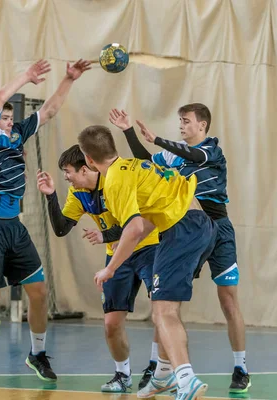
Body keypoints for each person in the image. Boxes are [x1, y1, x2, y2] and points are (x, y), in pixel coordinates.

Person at [0, 59, 91, 383]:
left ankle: (37, 353)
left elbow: (51, 110)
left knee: (38, 292)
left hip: (15, 227)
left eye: (12, 117)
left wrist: (69, 79)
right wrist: (26, 77)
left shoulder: (16, 137)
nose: (9, 121)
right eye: (4, 117)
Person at [110, 105, 251, 393]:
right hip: (186, 227)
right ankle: (162, 368)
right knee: (168, 300)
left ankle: (241, 367)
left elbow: (195, 155)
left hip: (218, 227)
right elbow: (147, 164)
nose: (182, 126)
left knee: (228, 300)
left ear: (202, 125)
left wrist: (158, 138)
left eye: (186, 122)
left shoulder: (211, 149)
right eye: (180, 122)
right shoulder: (171, 155)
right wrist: (128, 131)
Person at [78, 125, 218, 400]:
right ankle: (163, 376)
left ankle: (186, 379)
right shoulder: (137, 165)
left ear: (88, 160)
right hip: (202, 225)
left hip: (181, 230)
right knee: (166, 308)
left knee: (163, 313)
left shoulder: (115, 180)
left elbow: (133, 230)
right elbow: (149, 218)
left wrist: (110, 268)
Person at [36, 144, 159, 392]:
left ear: (85, 169)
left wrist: (104, 235)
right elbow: (61, 228)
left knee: (162, 313)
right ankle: (122, 375)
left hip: (149, 247)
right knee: (111, 323)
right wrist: (51, 195)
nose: (66, 178)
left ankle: (156, 368)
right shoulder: (78, 193)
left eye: (68, 172)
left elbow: (132, 224)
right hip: (117, 256)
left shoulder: (115, 180)